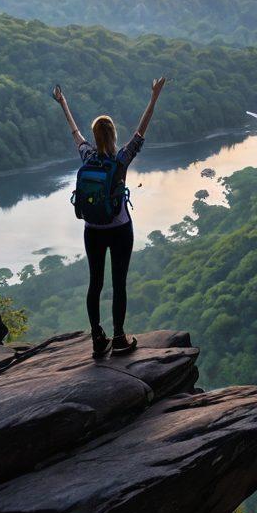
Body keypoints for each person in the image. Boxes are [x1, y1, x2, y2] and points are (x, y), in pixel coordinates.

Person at [52, 77, 167, 358]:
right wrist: (154, 96)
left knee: (95, 283)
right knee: (118, 284)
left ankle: (96, 338)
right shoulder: (121, 159)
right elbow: (142, 128)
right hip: (119, 228)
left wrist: (63, 102)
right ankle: (118, 338)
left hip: (92, 229)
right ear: (114, 135)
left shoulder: (87, 156)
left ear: (95, 136)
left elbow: (73, 131)